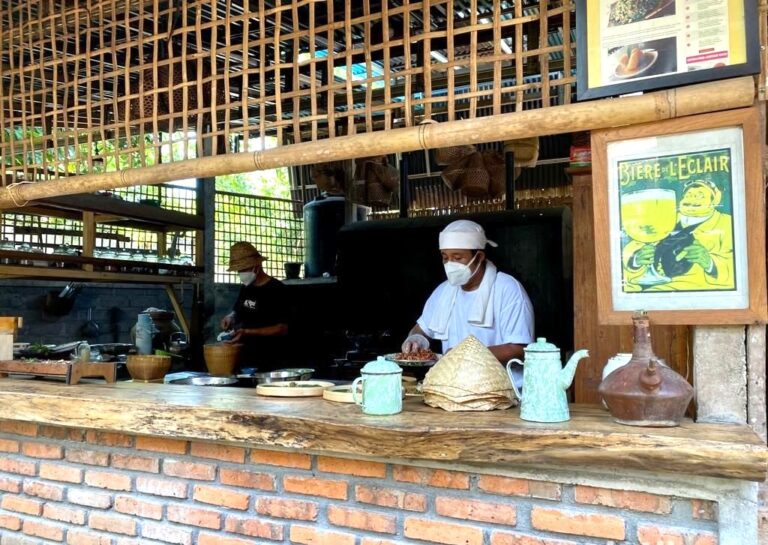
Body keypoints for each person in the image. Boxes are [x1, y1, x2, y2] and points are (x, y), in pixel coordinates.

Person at [401, 220, 535, 363]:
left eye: (457, 258)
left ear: (479, 257)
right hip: (453, 382)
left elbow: (519, 348)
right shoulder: (443, 292)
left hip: (501, 383)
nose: (450, 264)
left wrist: (467, 354)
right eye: (445, 257)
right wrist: (416, 339)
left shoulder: (507, 289)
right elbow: (420, 329)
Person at [623, 179, 734, 291]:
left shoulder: (726, 223)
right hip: (639, 282)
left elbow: (738, 269)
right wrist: (636, 260)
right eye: (688, 195)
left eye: (700, 196)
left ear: (714, 201)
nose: (692, 199)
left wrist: (709, 263)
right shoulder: (666, 217)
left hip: (685, 288)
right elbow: (635, 245)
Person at [219, 242, 289, 371]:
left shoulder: (277, 290)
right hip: (246, 357)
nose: (241, 274)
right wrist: (230, 317)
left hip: (271, 359)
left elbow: (282, 328)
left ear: (256, 267)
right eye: (239, 270)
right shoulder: (246, 288)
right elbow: (238, 309)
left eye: (244, 269)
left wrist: (246, 332)